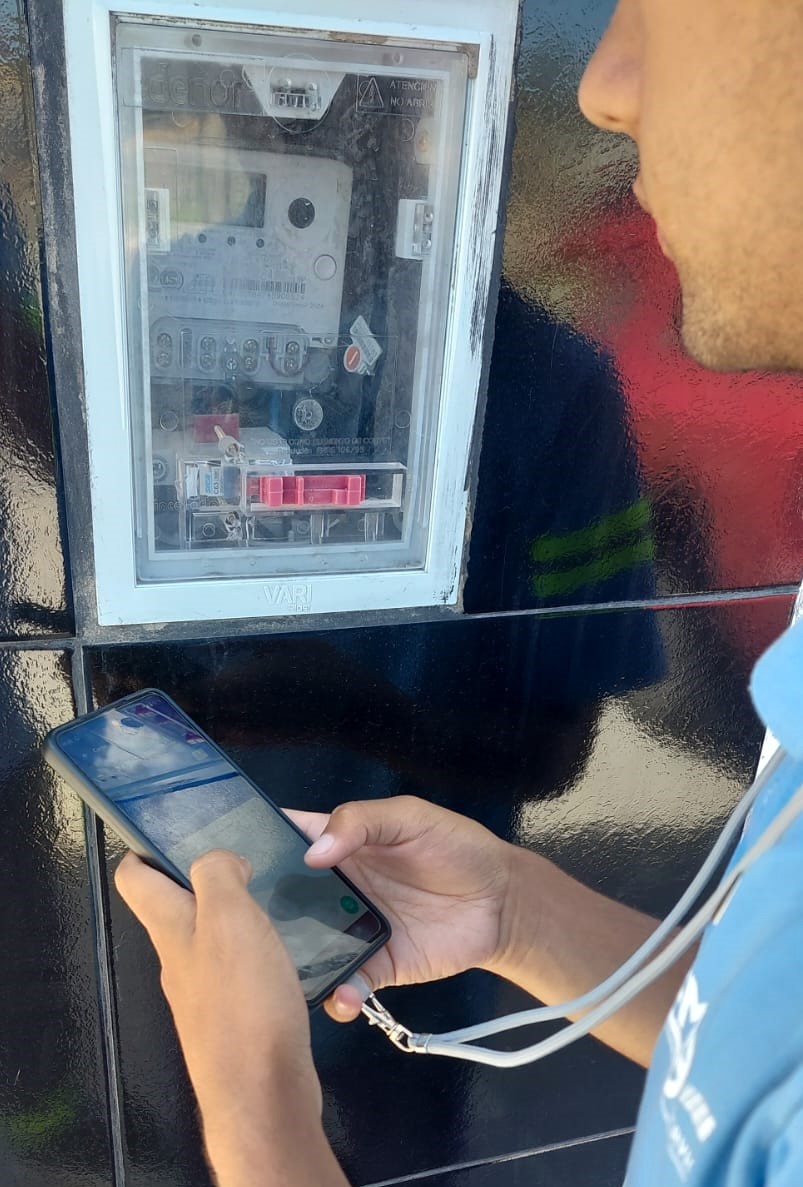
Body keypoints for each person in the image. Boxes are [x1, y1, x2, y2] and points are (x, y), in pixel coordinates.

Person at [114, 2, 803, 1184]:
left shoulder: (549, 386)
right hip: (394, 923)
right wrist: (515, 912)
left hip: (393, 1018)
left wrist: (257, 1121)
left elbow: (552, 739)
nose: (602, 83)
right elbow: (755, 1041)